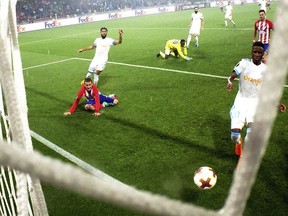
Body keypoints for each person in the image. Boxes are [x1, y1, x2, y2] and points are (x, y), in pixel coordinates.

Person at [226, 42, 266, 158]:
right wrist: (229, 82)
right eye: (255, 52)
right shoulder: (244, 63)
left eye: (259, 52)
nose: (257, 54)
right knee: (234, 136)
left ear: (263, 54)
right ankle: (238, 143)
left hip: (254, 104)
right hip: (240, 102)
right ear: (251, 52)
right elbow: (232, 76)